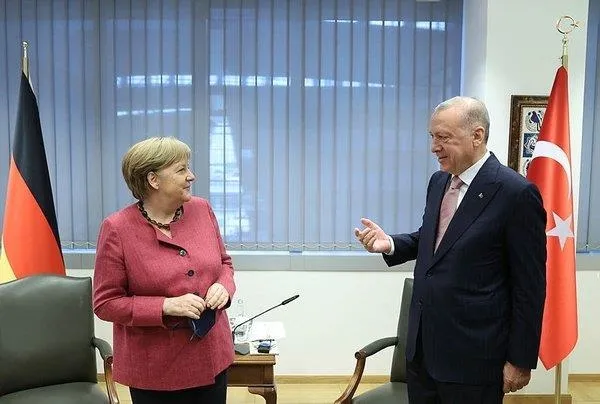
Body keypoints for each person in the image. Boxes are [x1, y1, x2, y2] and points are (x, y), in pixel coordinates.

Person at [354, 97, 547, 403]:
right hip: (423, 353)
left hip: (474, 359)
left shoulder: (516, 193)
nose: (434, 147)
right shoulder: (439, 182)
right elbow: (436, 240)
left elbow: (530, 287)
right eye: (432, 136)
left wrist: (520, 359)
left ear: (477, 135)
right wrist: (390, 243)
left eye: (443, 137)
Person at [93, 137, 235, 404]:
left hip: (211, 357)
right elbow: (106, 303)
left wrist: (223, 287)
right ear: (153, 180)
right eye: (181, 170)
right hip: (154, 368)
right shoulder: (117, 229)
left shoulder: (202, 209)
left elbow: (225, 264)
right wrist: (165, 306)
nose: (191, 176)